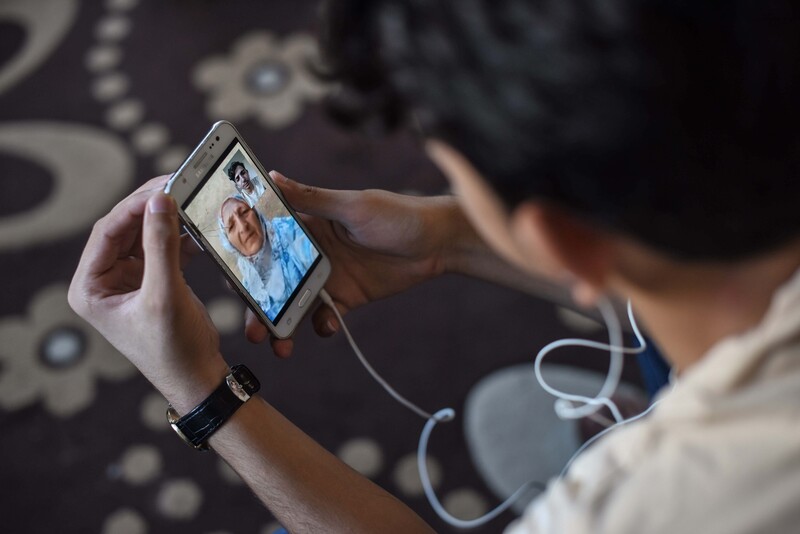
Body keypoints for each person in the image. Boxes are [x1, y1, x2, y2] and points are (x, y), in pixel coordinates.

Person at [69, 1, 800, 532]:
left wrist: (206, 399)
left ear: (558, 240)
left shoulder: (642, 506)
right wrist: (449, 237)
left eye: (455, 171)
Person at [218, 194, 318, 320]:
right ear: (230, 244)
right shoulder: (250, 288)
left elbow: (310, 251)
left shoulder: (290, 230)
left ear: (256, 213)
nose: (243, 226)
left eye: (244, 212)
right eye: (231, 226)